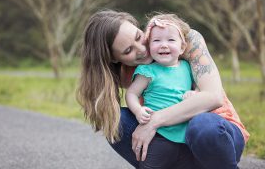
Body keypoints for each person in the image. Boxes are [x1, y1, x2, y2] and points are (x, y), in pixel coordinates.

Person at [77, 9, 249, 169]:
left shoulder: (183, 39)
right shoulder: (126, 72)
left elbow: (213, 97)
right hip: (172, 142)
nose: (142, 50)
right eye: (128, 50)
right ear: (114, 59)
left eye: (138, 36)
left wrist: (154, 121)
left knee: (202, 125)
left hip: (214, 135)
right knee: (115, 121)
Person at [126, 14, 197, 168]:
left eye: (171, 40)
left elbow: (198, 89)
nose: (163, 45)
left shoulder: (187, 67)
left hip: (186, 135)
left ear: (182, 47)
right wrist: (138, 110)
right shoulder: (148, 71)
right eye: (156, 41)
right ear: (149, 47)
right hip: (159, 135)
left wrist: (194, 94)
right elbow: (131, 93)